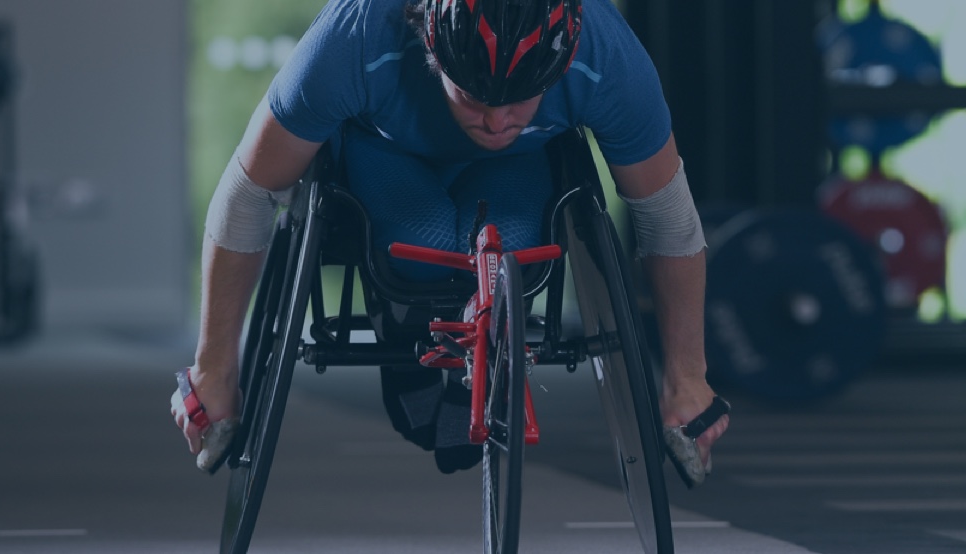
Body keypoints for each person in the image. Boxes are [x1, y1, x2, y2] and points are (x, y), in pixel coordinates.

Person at [169, 0, 729, 485]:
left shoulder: (606, 56)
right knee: (422, 246)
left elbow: (668, 222)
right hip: (385, 153)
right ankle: (410, 335)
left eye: (521, 99)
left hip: (520, 167)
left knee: (508, 253)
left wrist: (688, 378)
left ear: (560, 64)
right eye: (473, 95)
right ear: (430, 48)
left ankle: (481, 344)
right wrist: (214, 368)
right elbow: (249, 196)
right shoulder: (356, 36)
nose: (495, 121)